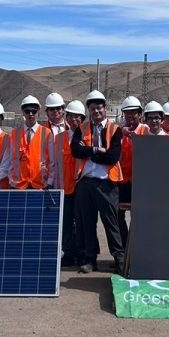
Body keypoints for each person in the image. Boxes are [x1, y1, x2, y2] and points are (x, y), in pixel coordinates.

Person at [71, 90, 125, 273]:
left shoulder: (115, 130)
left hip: (107, 183)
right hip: (85, 182)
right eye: (93, 108)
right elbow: (75, 151)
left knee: (111, 223)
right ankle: (90, 259)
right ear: (89, 110)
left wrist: (88, 152)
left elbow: (112, 156)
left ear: (105, 109)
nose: (96, 111)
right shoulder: (81, 129)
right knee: (87, 223)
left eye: (99, 108)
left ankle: (119, 258)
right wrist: (96, 150)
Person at [45, 100, 86, 266]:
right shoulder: (58, 138)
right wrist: (51, 182)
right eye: (71, 116)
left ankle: (84, 254)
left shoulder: (87, 136)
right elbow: (54, 163)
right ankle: (69, 253)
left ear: (82, 119)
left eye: (77, 117)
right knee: (66, 222)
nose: (74, 120)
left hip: (82, 188)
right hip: (64, 188)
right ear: (66, 117)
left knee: (83, 223)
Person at [9, 95, 51, 189]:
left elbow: (51, 161)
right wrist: (11, 180)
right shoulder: (14, 134)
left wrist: (50, 181)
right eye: (27, 111)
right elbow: (10, 160)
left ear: (38, 112)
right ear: (23, 112)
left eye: (34, 111)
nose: (30, 114)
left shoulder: (47, 133)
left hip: (39, 184)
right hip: (19, 185)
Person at [117, 96, 147, 208]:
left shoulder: (146, 130)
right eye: (127, 113)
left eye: (133, 113)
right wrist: (120, 132)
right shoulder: (119, 132)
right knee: (119, 211)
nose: (130, 116)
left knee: (139, 212)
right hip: (122, 181)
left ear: (139, 114)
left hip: (140, 181)